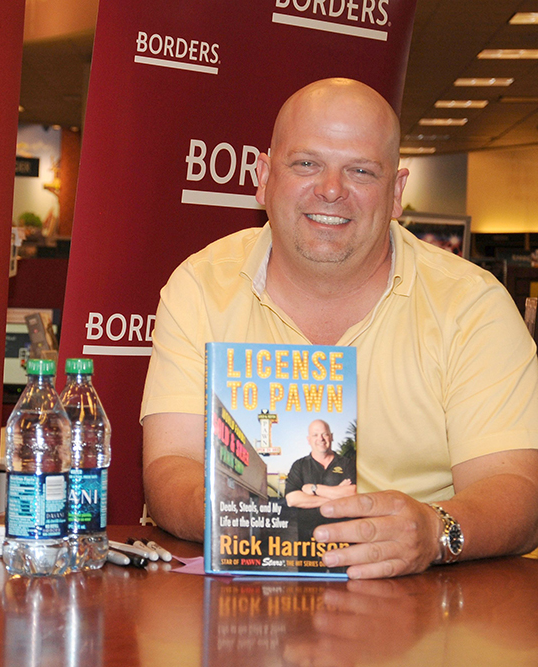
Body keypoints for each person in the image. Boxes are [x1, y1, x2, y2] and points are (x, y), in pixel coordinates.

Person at [141, 78, 538, 579]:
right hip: (243, 611)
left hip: (425, 612)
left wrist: (434, 531)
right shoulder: (199, 286)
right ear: (263, 177)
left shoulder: (472, 307)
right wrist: (237, 516)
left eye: (361, 170)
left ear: (396, 193)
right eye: (306, 163)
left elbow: (517, 491)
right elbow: (169, 464)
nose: (331, 189)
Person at [283, 420, 356, 541]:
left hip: (342, 539)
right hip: (308, 541)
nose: (320, 438)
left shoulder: (347, 464)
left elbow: (353, 493)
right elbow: (292, 499)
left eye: (324, 434)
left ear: (331, 437)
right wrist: (337, 495)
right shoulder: (299, 466)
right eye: (315, 435)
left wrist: (315, 488)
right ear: (309, 439)